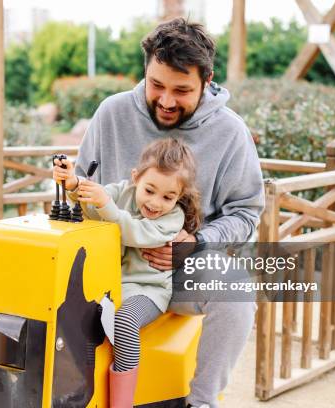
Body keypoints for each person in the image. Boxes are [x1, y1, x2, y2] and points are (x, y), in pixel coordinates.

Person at [73, 18, 264, 408]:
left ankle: (202, 402)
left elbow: (246, 213)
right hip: (104, 266)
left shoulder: (230, 132)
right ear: (145, 72)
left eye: (181, 90)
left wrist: (197, 242)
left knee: (237, 292)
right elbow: (78, 183)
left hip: (174, 271)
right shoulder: (111, 113)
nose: (165, 100)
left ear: (207, 80)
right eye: (156, 85)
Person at [54, 138, 202, 408]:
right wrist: (74, 184)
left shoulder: (173, 218)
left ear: (179, 197)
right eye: (149, 190)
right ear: (135, 178)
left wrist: (106, 204)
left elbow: (134, 232)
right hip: (111, 287)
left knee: (123, 322)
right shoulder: (121, 192)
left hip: (148, 291)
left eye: (168, 197)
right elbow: (91, 205)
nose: (156, 203)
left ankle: (122, 403)